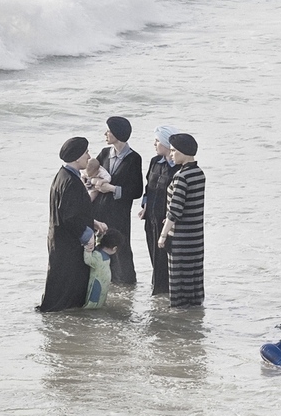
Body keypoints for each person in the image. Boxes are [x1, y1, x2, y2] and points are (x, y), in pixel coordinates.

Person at [39, 137, 107, 313]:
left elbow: (71, 211)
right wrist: (87, 236)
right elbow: (70, 216)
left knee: (60, 281)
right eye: (86, 152)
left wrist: (92, 222)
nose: (88, 156)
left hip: (60, 238)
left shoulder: (63, 176)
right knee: (66, 286)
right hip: (69, 242)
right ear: (77, 157)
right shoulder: (71, 181)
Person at [92, 116, 143, 284]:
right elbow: (89, 175)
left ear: (117, 133)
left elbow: (136, 190)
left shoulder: (134, 158)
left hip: (119, 213)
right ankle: (107, 284)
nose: (105, 133)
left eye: (108, 130)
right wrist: (96, 183)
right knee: (101, 248)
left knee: (122, 249)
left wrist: (112, 189)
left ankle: (127, 287)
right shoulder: (104, 153)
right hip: (100, 211)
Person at [157, 133, 206, 307]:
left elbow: (175, 211)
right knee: (194, 278)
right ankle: (194, 315)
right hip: (196, 237)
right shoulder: (199, 173)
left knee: (178, 281)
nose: (171, 154)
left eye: (173, 151)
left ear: (183, 152)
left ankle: (179, 319)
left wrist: (163, 235)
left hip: (180, 238)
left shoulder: (181, 177)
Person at [138, 125, 181, 295]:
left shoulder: (177, 167)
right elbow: (148, 188)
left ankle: (166, 292)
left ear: (165, 143)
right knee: (154, 256)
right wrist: (144, 206)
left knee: (165, 258)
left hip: (167, 220)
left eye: (157, 141)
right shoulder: (155, 162)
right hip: (151, 218)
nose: (154, 144)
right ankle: (157, 293)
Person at [82, 228, 124, 309]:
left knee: (99, 302)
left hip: (102, 283)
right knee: (93, 304)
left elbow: (98, 243)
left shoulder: (99, 251)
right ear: (114, 248)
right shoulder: (98, 256)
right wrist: (87, 250)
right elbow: (88, 260)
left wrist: (98, 236)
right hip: (97, 284)